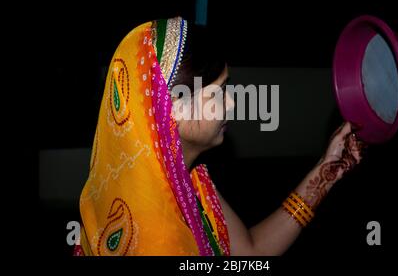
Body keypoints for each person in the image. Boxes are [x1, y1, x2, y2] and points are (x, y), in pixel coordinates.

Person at [75, 17, 365, 256]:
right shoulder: (158, 241)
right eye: (219, 91)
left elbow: (249, 252)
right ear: (173, 107)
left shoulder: (182, 177)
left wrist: (327, 172)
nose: (233, 103)